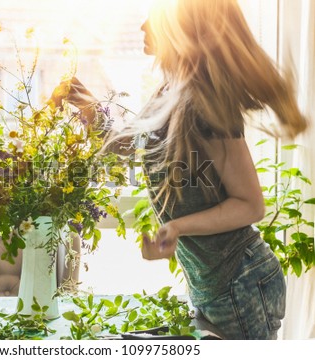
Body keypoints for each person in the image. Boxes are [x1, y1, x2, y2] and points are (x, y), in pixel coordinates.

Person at [51, 0, 308, 339]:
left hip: (239, 282)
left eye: (152, 19)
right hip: (218, 284)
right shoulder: (169, 91)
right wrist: (85, 103)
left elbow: (250, 204)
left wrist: (175, 227)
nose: (143, 26)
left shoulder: (203, 102)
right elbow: (130, 145)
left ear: (178, 30)